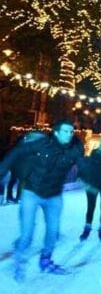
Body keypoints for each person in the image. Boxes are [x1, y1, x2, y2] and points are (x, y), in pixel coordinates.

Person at [0, 120, 85, 281]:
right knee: (27, 234)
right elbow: (17, 152)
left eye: (71, 131)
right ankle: (19, 259)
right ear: (56, 132)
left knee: (53, 232)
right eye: (66, 131)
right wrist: (2, 170)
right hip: (32, 192)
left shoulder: (74, 149)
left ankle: (45, 261)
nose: (69, 134)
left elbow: (83, 165)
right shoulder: (42, 144)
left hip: (54, 196)